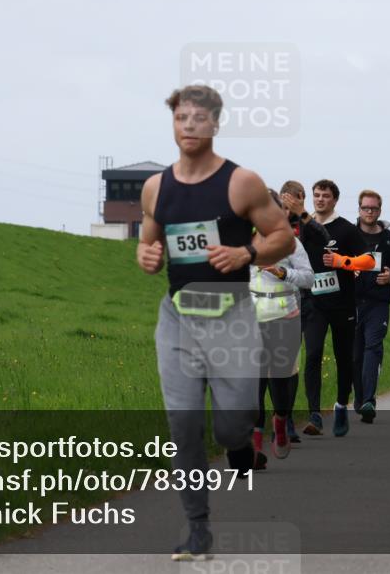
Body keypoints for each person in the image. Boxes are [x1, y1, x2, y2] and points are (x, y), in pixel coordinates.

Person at [136, 85, 294, 561]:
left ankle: (240, 443)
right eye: (180, 118)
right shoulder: (156, 187)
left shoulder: (241, 183)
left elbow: (282, 237)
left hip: (232, 316)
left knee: (229, 426)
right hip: (178, 318)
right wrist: (146, 256)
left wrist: (245, 252)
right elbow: (148, 242)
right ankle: (197, 528)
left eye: (198, 118)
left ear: (215, 124)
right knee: (182, 424)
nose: (188, 126)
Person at [322, 189, 390, 423]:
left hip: (378, 302)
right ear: (359, 209)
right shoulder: (349, 233)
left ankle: (369, 400)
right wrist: (348, 268)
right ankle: (359, 398)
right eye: (365, 208)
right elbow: (333, 262)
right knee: (355, 355)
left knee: (373, 347)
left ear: (380, 210)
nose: (369, 212)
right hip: (352, 300)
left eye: (374, 208)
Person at [250, 190, 314, 462]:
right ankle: (254, 449)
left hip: (284, 317)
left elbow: (309, 278)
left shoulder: (291, 243)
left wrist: (283, 272)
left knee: (280, 384)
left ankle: (280, 420)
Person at [301, 179, 365, 437]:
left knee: (343, 357)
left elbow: (368, 261)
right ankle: (314, 414)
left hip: (342, 303)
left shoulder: (347, 229)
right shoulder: (303, 228)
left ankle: (340, 405)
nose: (320, 199)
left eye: (325, 195)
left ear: (335, 200)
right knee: (313, 353)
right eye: (316, 195)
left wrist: (343, 261)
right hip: (314, 303)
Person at [278, 180, 330, 443]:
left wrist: (303, 214)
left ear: (301, 199)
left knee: (311, 356)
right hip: (284, 300)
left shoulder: (307, 224)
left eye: (295, 200)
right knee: (288, 362)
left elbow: (324, 239)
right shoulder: (272, 226)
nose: (289, 206)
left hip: (312, 300)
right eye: (285, 201)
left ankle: (313, 413)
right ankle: (286, 419)